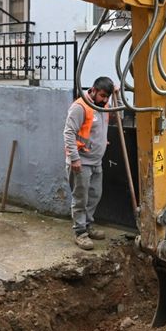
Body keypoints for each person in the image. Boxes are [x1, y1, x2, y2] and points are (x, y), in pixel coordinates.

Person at [63, 77, 118, 250]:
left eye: (107, 97)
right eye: (102, 95)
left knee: (95, 195)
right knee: (81, 198)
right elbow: (69, 133)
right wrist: (74, 158)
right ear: (93, 90)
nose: (105, 100)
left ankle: (87, 224)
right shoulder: (80, 107)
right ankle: (80, 232)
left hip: (96, 161)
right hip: (81, 161)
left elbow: (117, 114)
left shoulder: (103, 106)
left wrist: (117, 95)